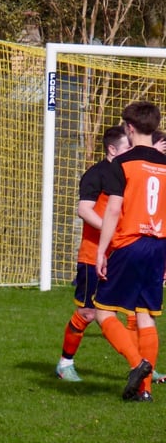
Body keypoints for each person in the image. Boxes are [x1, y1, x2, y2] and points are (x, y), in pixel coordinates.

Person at [57, 126, 166, 383]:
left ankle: (143, 367)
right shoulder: (97, 174)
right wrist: (113, 228)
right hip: (94, 254)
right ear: (112, 149)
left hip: (124, 253)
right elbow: (84, 210)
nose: (133, 152)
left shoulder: (132, 171)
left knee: (135, 312)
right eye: (128, 148)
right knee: (89, 313)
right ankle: (65, 363)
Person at [94, 101, 166, 402]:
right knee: (146, 314)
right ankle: (144, 390)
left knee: (102, 311)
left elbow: (112, 210)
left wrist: (101, 251)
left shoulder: (121, 163)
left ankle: (138, 364)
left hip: (130, 243)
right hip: (159, 244)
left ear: (130, 128)